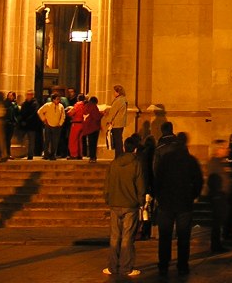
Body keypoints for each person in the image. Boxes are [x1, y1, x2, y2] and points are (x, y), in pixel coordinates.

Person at [153, 130, 203, 276]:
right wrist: (192, 196)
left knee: (165, 237)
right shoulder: (191, 160)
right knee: (183, 236)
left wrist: (159, 197)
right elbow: (199, 181)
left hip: (166, 203)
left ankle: (163, 264)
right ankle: (182, 264)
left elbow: (157, 179)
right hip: (184, 204)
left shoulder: (165, 159)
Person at [104, 134, 145, 277]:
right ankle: (125, 267)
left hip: (115, 203)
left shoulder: (114, 163)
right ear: (134, 150)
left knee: (115, 236)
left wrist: (108, 199)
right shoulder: (136, 164)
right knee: (127, 237)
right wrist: (142, 202)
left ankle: (112, 266)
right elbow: (140, 186)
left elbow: (107, 185)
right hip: (130, 205)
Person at [206, 140, 232, 253]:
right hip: (218, 197)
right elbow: (213, 180)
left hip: (222, 196)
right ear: (218, 149)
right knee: (217, 223)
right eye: (225, 147)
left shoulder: (222, 162)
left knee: (220, 221)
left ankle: (218, 243)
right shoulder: (214, 163)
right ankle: (216, 245)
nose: (228, 149)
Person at [38, 92, 67, 160]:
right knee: (47, 141)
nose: (58, 100)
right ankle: (46, 154)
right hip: (48, 125)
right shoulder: (47, 105)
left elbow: (63, 115)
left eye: (59, 99)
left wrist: (60, 123)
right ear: (53, 99)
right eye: (57, 99)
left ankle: (53, 154)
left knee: (55, 141)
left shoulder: (61, 106)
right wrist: (44, 120)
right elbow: (40, 111)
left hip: (57, 126)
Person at [103, 84, 130, 156]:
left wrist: (108, 120)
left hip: (116, 123)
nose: (113, 93)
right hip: (120, 122)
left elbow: (113, 112)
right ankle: (119, 155)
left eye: (114, 92)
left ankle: (119, 156)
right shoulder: (123, 99)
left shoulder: (119, 100)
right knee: (118, 140)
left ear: (118, 92)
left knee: (117, 141)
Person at [17, 90, 41, 159]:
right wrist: (22, 120)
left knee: (31, 140)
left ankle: (30, 154)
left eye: (29, 94)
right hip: (24, 125)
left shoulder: (35, 104)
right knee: (22, 139)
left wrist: (26, 120)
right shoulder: (24, 103)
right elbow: (21, 113)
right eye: (27, 94)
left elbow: (34, 113)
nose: (28, 96)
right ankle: (23, 153)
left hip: (32, 125)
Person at [82, 95, 103, 162]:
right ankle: (93, 157)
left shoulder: (85, 106)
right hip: (94, 127)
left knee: (90, 143)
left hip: (87, 127)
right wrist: (102, 114)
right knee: (93, 143)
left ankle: (91, 156)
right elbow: (96, 117)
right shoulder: (93, 106)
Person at [68, 94, 87, 159]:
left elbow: (71, 113)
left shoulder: (77, 105)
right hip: (83, 123)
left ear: (78, 99)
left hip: (76, 123)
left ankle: (74, 154)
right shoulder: (85, 105)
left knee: (73, 139)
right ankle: (80, 154)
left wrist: (68, 111)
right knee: (80, 140)